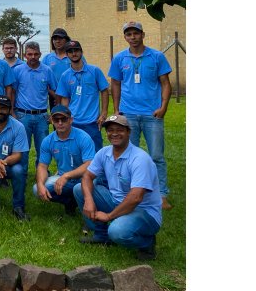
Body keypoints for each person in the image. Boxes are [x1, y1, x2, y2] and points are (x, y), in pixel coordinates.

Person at [72, 114, 162, 261]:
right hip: (116, 201)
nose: (114, 133)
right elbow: (87, 176)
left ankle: (147, 243)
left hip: (144, 211)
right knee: (79, 189)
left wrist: (109, 216)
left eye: (119, 130)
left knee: (117, 231)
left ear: (128, 132)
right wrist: (88, 200)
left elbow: (136, 197)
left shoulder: (140, 159)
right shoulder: (104, 153)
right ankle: (101, 235)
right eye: (110, 130)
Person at [109, 21, 173, 210]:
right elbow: (115, 84)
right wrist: (116, 108)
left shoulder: (157, 57)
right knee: (129, 156)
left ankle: (161, 195)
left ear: (143, 35)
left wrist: (163, 107)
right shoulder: (120, 59)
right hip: (128, 114)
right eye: (129, 34)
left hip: (152, 115)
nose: (133, 37)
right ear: (125, 37)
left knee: (156, 156)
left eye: (136, 33)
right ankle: (130, 193)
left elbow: (165, 83)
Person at [33, 105, 95, 214]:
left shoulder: (84, 137)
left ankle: (84, 204)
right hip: (63, 179)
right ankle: (70, 202)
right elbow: (42, 166)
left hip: (84, 178)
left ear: (71, 120)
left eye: (64, 119)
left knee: (81, 188)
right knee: (36, 189)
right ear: (52, 121)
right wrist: (40, 184)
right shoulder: (48, 141)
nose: (60, 123)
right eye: (56, 120)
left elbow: (89, 164)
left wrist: (67, 175)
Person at [55, 41, 109, 151]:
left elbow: (104, 91)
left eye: (76, 50)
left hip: (92, 122)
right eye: (70, 51)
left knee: (95, 154)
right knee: (74, 153)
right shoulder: (65, 75)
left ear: (81, 52)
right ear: (67, 54)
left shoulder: (94, 71)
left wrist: (103, 113)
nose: (74, 53)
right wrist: (66, 118)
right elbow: (65, 99)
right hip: (73, 122)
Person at [13, 41, 57, 172]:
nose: (33, 57)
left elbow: (55, 93)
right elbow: (12, 92)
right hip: (22, 115)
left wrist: (53, 113)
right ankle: (22, 173)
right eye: (29, 54)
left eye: (35, 54)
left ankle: (42, 173)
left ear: (40, 54)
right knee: (22, 147)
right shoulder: (17, 70)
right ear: (25, 55)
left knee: (43, 147)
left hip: (42, 116)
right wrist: (12, 112)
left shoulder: (47, 70)